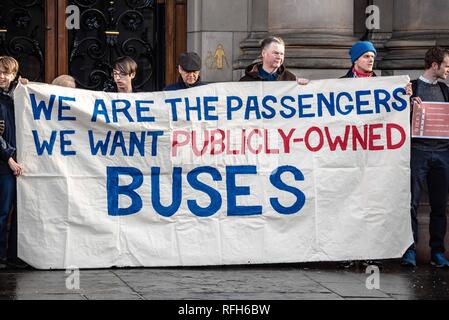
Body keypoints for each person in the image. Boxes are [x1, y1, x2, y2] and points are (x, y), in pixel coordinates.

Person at [339, 41, 413, 269]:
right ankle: (349, 251)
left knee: (372, 203)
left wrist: (406, 98)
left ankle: (371, 250)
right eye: (365, 56)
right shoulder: (339, 85)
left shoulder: (385, 85)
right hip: (349, 154)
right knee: (348, 203)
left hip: (376, 157)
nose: (370, 59)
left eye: (372, 56)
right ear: (355, 60)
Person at [401, 46, 449, 268]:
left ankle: (437, 252)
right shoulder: (410, 87)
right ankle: (410, 249)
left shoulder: (445, 90)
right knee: (410, 202)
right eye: (446, 66)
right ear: (434, 65)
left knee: (439, 204)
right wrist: (408, 107)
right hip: (417, 152)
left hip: (442, 154)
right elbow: (395, 117)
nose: (448, 70)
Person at [0, 56, 23, 269]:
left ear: (14, 75)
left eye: (5, 72)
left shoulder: (17, 97)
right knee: (3, 211)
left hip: (20, 164)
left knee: (21, 211)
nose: (1, 76)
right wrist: (9, 157)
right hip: (5, 165)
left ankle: (14, 255)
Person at [239, 35, 309, 84]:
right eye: (276, 53)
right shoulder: (246, 82)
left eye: (282, 54)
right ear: (264, 53)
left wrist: (302, 88)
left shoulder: (290, 79)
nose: (279, 57)